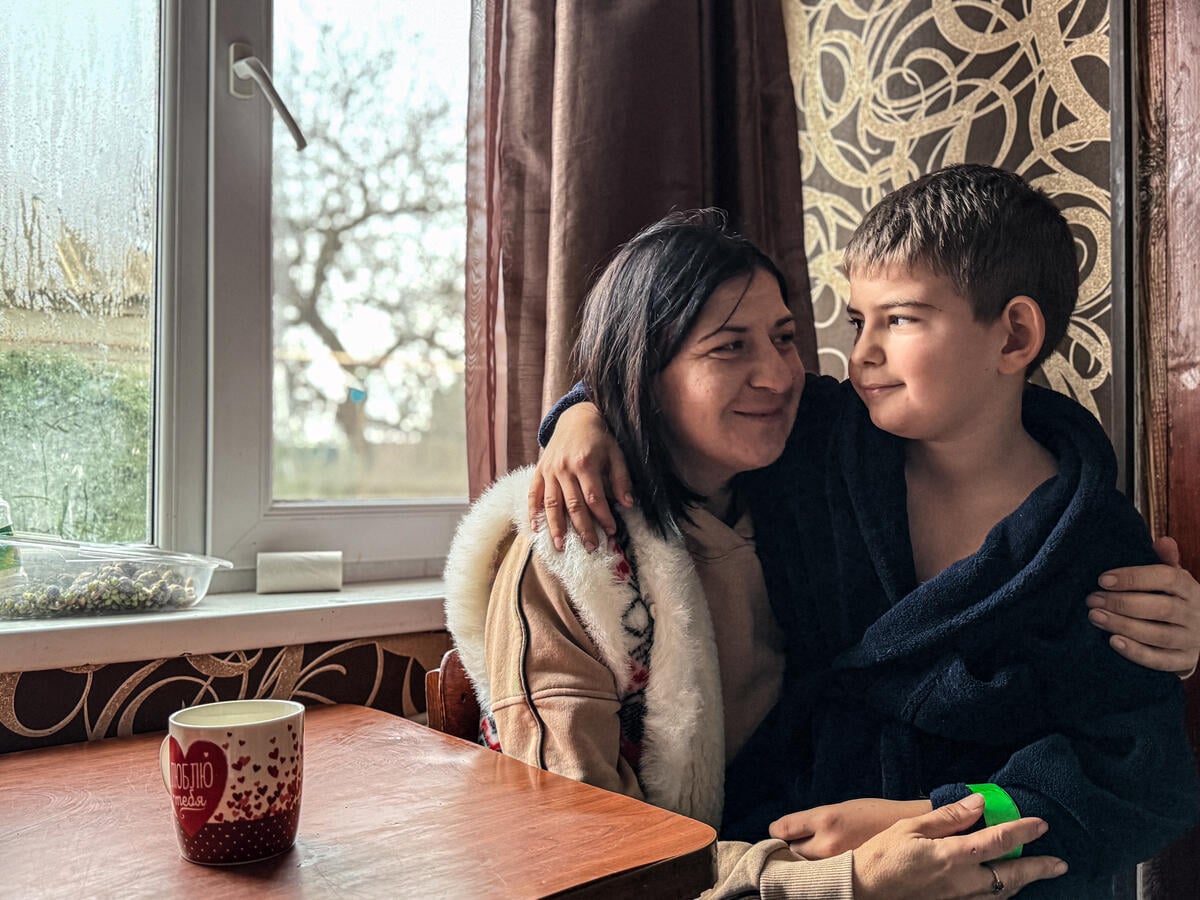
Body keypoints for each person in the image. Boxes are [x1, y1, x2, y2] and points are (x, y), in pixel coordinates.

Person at [536, 170, 1200, 897]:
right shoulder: (820, 446)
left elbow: (1138, 775)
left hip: (996, 873)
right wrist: (581, 412)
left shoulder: (1092, 543)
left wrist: (937, 816)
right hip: (803, 854)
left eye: (902, 319)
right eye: (860, 321)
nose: (864, 355)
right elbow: (667, 381)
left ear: (1014, 335)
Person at [444, 210, 1067, 898]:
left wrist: (1127, 556)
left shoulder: (807, 480)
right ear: (645, 372)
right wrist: (845, 881)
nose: (778, 374)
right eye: (730, 347)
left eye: (784, 337)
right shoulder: (574, 556)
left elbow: (986, 414)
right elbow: (586, 854)